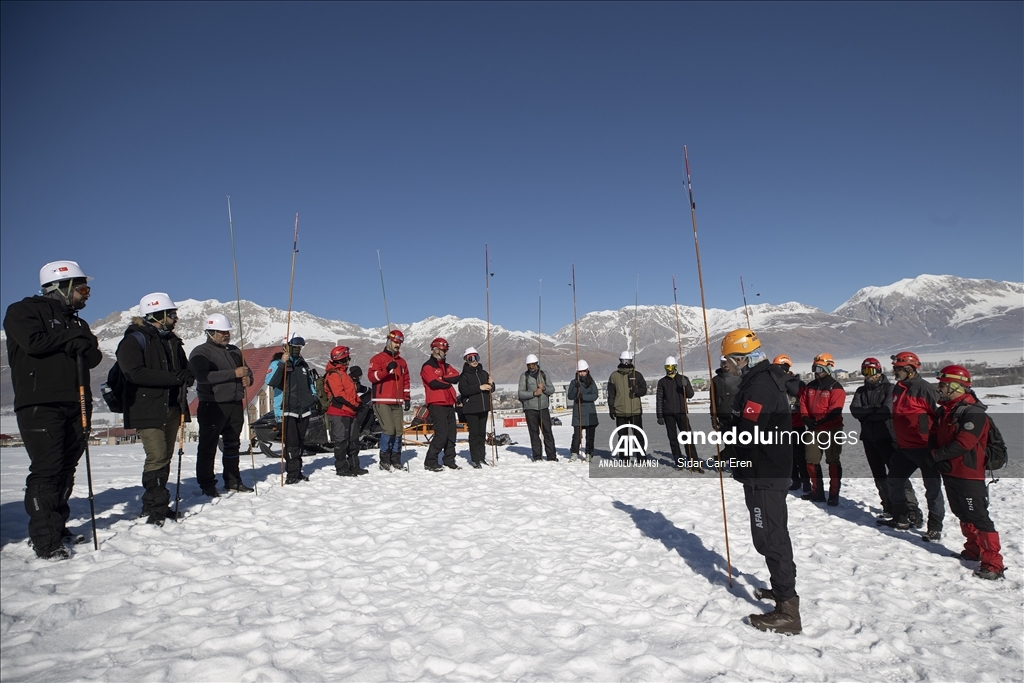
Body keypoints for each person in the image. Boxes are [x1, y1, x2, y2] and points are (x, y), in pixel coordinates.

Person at [4, 260, 102, 559]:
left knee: (66, 469)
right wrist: (74, 339)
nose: (87, 295)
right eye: (83, 288)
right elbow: (34, 342)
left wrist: (83, 343)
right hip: (40, 403)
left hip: (76, 402)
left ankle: (58, 527)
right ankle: (44, 538)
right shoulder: (23, 311)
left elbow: (94, 357)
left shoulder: (78, 323)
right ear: (63, 286)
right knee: (47, 470)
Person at [721, 328, 800, 634]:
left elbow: (749, 432)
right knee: (772, 533)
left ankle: (787, 610)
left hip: (764, 473)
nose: (729, 364)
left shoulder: (760, 387)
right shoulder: (761, 380)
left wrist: (729, 446)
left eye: (731, 359)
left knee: (770, 537)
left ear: (743, 358)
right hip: (764, 468)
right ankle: (782, 591)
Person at [116, 293, 193, 525]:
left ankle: (158, 504)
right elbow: (133, 372)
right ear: (156, 315)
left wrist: (186, 376)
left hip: (171, 406)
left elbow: (187, 371)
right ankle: (154, 508)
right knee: (157, 455)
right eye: (171, 314)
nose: (175, 318)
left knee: (165, 456)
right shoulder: (134, 340)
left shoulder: (172, 341)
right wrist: (172, 379)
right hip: (147, 408)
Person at [930, 366, 1005, 579]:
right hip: (951, 470)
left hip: (969, 473)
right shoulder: (945, 410)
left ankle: (993, 563)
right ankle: (973, 551)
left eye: (943, 385)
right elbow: (936, 435)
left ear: (956, 386)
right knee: (962, 513)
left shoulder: (973, 413)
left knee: (979, 516)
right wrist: (936, 456)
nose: (939, 388)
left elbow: (965, 443)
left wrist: (936, 456)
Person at [880, 351, 945, 538]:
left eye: (897, 369)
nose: (894, 372)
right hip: (904, 447)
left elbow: (940, 415)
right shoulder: (898, 389)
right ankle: (900, 517)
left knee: (932, 488)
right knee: (894, 480)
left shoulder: (925, 389)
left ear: (909, 369)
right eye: (894, 368)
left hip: (924, 448)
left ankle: (935, 527)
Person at [188, 313, 254, 496]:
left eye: (228, 331)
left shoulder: (235, 351)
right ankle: (207, 484)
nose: (226, 334)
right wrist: (233, 373)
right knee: (208, 447)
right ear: (210, 332)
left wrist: (248, 379)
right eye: (221, 332)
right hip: (212, 405)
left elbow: (247, 372)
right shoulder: (200, 352)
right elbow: (202, 377)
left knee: (233, 445)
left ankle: (233, 481)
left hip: (235, 405)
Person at [850, 357, 922, 520]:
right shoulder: (861, 391)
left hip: (888, 438)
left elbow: (887, 411)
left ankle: (911, 508)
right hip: (869, 439)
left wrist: (866, 413)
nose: (868, 375)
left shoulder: (890, 389)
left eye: (871, 371)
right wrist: (873, 412)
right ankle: (888, 506)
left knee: (898, 475)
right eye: (865, 371)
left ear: (879, 371)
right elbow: (855, 411)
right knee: (879, 475)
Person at [266, 335, 319, 484]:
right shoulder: (277, 363)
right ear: (286, 347)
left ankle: (298, 470)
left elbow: (310, 383)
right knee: (291, 443)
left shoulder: (303, 365)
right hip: (286, 409)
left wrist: (313, 396)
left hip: (304, 409)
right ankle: (291, 473)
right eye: (294, 347)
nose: (297, 350)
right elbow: (271, 382)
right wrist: (283, 364)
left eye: (299, 347)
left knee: (300, 442)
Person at [799, 353, 846, 506]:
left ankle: (833, 495)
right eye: (814, 367)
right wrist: (806, 418)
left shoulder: (835, 387)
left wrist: (819, 421)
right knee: (811, 459)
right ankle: (817, 492)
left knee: (832, 460)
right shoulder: (810, 386)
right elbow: (803, 403)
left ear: (828, 368)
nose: (816, 371)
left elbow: (835, 410)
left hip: (831, 428)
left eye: (819, 368)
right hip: (813, 428)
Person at [368, 329, 411, 471]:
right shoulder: (377, 359)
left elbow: (406, 381)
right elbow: (372, 377)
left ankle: (396, 459)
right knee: (389, 429)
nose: (397, 345)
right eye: (395, 342)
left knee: (399, 431)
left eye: (399, 343)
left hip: (397, 401)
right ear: (388, 341)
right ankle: (384, 459)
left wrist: (407, 398)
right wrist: (386, 370)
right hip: (381, 400)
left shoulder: (402, 362)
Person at [323, 346, 367, 477]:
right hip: (339, 412)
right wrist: (356, 404)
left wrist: (358, 402)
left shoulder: (343, 374)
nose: (349, 360)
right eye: (348, 358)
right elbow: (339, 396)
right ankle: (341, 468)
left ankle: (354, 466)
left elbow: (350, 393)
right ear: (343, 359)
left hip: (349, 412)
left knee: (353, 440)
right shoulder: (333, 375)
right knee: (341, 441)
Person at [421, 337, 461, 470]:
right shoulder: (427, 366)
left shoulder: (447, 366)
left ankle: (449, 459)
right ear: (436, 349)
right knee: (441, 434)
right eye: (444, 350)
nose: (446, 353)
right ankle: (430, 461)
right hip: (436, 403)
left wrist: (443, 378)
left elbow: (456, 377)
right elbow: (434, 383)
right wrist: (445, 380)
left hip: (449, 403)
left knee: (451, 434)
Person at [656, 356, 700, 471]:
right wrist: (659, 415)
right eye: (667, 367)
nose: (668, 369)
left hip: (681, 413)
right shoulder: (662, 382)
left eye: (670, 367)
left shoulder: (683, 379)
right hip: (668, 415)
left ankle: (694, 463)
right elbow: (659, 399)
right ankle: (679, 462)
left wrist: (685, 386)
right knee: (673, 439)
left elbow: (690, 395)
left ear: (675, 367)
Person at [773, 355, 808, 492]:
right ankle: (795, 480)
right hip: (782, 426)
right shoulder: (775, 384)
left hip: (797, 425)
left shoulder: (796, 384)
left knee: (801, 456)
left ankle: (806, 482)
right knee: (788, 456)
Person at [607, 350, 647, 461]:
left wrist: (637, 390)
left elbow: (644, 390)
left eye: (628, 360)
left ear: (631, 361)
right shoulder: (614, 376)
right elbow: (611, 394)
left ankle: (641, 457)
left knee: (638, 436)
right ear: (620, 360)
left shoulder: (637, 375)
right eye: (624, 360)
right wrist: (611, 408)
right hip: (620, 411)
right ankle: (624, 458)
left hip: (635, 411)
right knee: (623, 437)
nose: (626, 363)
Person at [457, 347, 493, 469]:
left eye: (476, 357)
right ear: (466, 360)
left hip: (484, 408)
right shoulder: (464, 376)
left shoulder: (484, 373)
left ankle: (482, 457)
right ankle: (475, 459)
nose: (474, 360)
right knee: (474, 434)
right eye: (471, 358)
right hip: (471, 409)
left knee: (482, 434)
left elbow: (490, 388)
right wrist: (479, 387)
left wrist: (491, 385)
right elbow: (464, 390)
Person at [518, 353, 557, 462]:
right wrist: (534, 393)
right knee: (534, 434)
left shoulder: (544, 374)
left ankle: (552, 457)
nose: (531, 367)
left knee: (548, 433)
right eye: (529, 365)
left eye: (533, 364)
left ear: (536, 364)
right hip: (530, 409)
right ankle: (537, 457)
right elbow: (521, 394)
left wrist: (544, 388)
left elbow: (552, 390)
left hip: (543, 408)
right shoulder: (524, 376)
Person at [711, 356, 740, 469]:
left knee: (738, 443)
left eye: (728, 362)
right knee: (729, 443)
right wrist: (713, 418)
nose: (726, 365)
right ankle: (729, 464)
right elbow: (712, 401)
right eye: (723, 362)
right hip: (723, 417)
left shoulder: (739, 378)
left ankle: (721, 458)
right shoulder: (715, 380)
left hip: (737, 416)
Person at [567, 360, 599, 462]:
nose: (582, 373)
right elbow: (570, 396)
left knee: (590, 436)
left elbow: (595, 395)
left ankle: (589, 453)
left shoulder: (591, 382)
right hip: (578, 413)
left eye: (583, 371)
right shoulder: (574, 382)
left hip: (590, 412)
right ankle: (574, 453)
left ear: (587, 371)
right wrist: (576, 389)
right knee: (577, 436)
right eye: (580, 371)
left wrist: (583, 396)